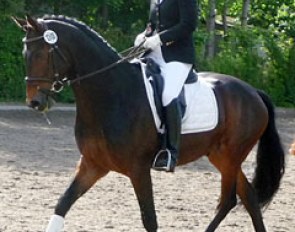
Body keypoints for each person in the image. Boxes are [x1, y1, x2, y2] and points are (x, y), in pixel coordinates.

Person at [134, 0, 197, 172]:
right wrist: (144, 35)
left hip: (177, 57)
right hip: (154, 54)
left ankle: (171, 152)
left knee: (168, 95)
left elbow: (188, 25)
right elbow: (152, 24)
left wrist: (160, 38)